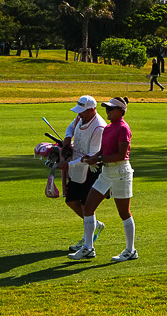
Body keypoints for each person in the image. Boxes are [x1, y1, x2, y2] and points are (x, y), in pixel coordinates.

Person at [70, 96, 137, 262]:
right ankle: (88, 247)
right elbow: (102, 151)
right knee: (88, 206)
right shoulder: (108, 128)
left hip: (121, 173)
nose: (107, 111)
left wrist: (97, 160)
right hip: (107, 173)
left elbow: (121, 155)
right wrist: (93, 157)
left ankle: (130, 250)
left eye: (111, 109)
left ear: (121, 111)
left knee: (124, 213)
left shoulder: (123, 128)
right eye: (106, 108)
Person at [62, 95, 107, 253]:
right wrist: (68, 139)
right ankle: (94, 225)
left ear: (92, 109)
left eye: (82, 111)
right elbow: (70, 127)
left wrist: (68, 164)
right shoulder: (80, 117)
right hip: (77, 167)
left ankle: (87, 243)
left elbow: (91, 156)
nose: (79, 114)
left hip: (91, 170)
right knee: (71, 200)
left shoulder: (99, 127)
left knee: (85, 205)